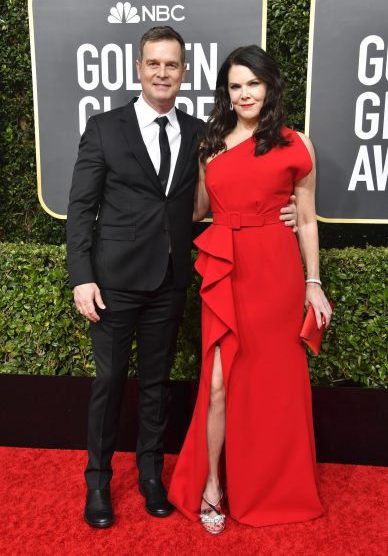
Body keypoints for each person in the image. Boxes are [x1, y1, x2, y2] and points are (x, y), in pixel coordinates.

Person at [66, 28, 298, 529]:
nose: (163, 73)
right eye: (154, 64)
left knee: (156, 383)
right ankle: (99, 482)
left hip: (171, 279)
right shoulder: (105, 127)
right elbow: (81, 208)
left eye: (172, 65)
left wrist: (286, 211)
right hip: (114, 281)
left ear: (184, 72)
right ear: (139, 68)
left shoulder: (202, 133)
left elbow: (234, 189)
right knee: (109, 381)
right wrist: (82, 277)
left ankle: (151, 476)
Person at [168, 45, 333, 533]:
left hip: (276, 274)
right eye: (235, 85)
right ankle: (213, 485)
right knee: (218, 383)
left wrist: (314, 283)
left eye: (253, 84)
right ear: (227, 91)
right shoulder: (210, 143)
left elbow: (305, 219)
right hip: (226, 270)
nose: (244, 94)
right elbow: (197, 208)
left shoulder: (296, 143)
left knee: (274, 387)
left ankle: (275, 487)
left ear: (270, 86)